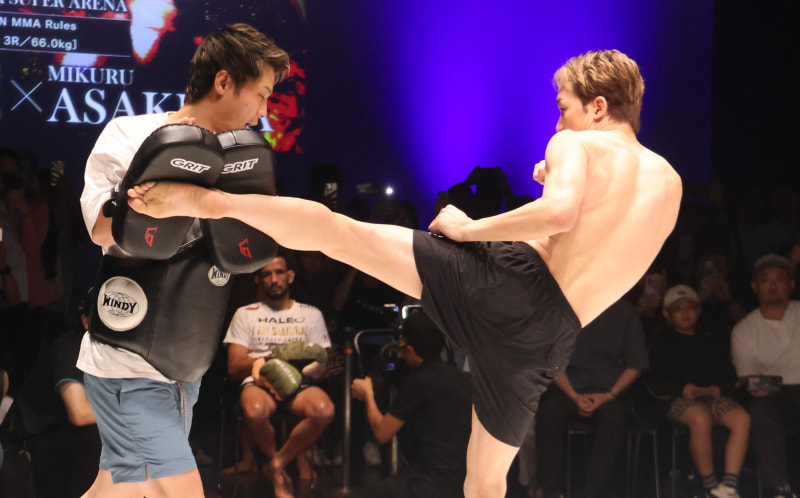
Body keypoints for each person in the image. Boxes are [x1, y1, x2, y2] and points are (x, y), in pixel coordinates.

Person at [125, 49, 683, 497]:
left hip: (508, 285)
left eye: (563, 107)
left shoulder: (575, 141)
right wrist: (554, 183)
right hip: (550, 338)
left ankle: (206, 201)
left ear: (598, 106)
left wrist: (470, 228)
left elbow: (559, 213)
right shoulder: (669, 184)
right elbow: (593, 236)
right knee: (485, 483)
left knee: (341, 234)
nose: (558, 120)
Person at [78, 23, 290, 498]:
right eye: (261, 94)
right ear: (223, 82)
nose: (263, 111)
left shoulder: (244, 161)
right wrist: (151, 198)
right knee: (180, 491)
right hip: (127, 361)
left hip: (184, 364)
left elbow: (250, 251)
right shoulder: (131, 134)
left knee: (120, 491)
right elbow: (99, 229)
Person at [223, 252, 334, 498]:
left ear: (290, 276)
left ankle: (276, 464)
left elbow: (322, 363)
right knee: (254, 411)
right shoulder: (246, 313)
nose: (274, 279)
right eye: (267, 274)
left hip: (299, 381)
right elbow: (234, 367)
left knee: (324, 410)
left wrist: (315, 368)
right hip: (258, 380)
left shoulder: (311, 314)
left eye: (279, 272)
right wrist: (272, 359)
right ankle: (278, 470)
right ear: (258, 280)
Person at [348, 310, 472, 498]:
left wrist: (367, 394)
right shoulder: (465, 380)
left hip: (428, 483)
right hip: (465, 482)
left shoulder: (419, 381)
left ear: (410, 350)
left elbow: (382, 433)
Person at [534, 296, 648, 498]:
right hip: (569, 390)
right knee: (548, 412)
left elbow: (635, 364)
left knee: (615, 416)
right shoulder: (564, 311)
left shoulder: (624, 312)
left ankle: (592, 492)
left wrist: (610, 395)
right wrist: (573, 395)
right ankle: (551, 490)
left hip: (610, 393)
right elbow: (552, 361)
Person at [648, 285, 749, 498]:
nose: (685, 313)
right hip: (677, 400)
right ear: (667, 313)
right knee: (700, 418)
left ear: (699, 310)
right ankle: (709, 486)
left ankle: (728, 486)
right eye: (678, 308)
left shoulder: (711, 340)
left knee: (742, 418)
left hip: (712, 398)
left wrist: (717, 389)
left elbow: (729, 374)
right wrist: (682, 389)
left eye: (691, 307)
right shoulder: (660, 343)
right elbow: (653, 380)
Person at [731, 254, 800, 498]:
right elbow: (748, 379)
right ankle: (779, 488)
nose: (772, 286)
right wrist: (760, 385)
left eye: (779, 280)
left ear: (791, 284)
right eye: (765, 280)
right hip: (777, 394)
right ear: (755, 286)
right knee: (761, 409)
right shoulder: (744, 330)